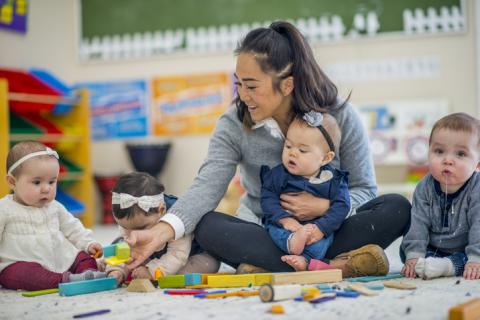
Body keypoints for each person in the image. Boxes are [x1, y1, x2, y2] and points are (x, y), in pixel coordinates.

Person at [125, 21, 411, 277]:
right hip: (269, 232)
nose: (243, 95)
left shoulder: (340, 116)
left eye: (251, 86)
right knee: (208, 226)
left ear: (287, 85)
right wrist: (163, 230)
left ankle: (277, 264)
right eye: (239, 85)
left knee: (397, 207)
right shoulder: (233, 123)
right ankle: (338, 265)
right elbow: (207, 185)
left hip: (330, 229)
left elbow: (365, 189)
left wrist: (325, 210)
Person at [0, 141, 105, 291]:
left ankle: (87, 273)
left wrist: (88, 244)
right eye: (37, 182)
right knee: (20, 274)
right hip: (20, 263)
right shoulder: (4, 209)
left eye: (52, 181)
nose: (46, 189)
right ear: (12, 182)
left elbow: (73, 228)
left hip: (60, 260)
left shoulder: (55, 207)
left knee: (83, 257)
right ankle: (65, 279)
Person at [261, 112, 349, 271]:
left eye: (302, 150)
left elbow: (342, 206)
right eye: (288, 146)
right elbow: (268, 199)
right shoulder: (278, 175)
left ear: (325, 158)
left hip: (316, 227)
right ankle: (292, 243)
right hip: (285, 225)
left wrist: (322, 228)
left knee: (322, 242)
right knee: (273, 230)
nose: (292, 153)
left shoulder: (333, 179)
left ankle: (305, 261)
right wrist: (285, 220)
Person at [401, 113, 480, 280]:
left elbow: (478, 226)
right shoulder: (424, 187)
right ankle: (431, 263)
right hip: (432, 248)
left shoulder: (476, 188)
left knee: (471, 261)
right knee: (407, 253)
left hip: (466, 249)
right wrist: (414, 255)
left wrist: (476, 258)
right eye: (439, 151)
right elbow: (418, 223)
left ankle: (448, 266)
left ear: (478, 163)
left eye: (460, 154)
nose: (447, 160)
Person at [106, 172, 218, 285]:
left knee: (189, 271)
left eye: (141, 228)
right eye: (124, 227)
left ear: (161, 210)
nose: (133, 234)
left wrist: (151, 271)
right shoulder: (134, 223)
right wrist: (118, 269)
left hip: (192, 254)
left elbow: (177, 255)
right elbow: (126, 251)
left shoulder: (176, 219)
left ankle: (156, 272)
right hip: (154, 255)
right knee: (124, 251)